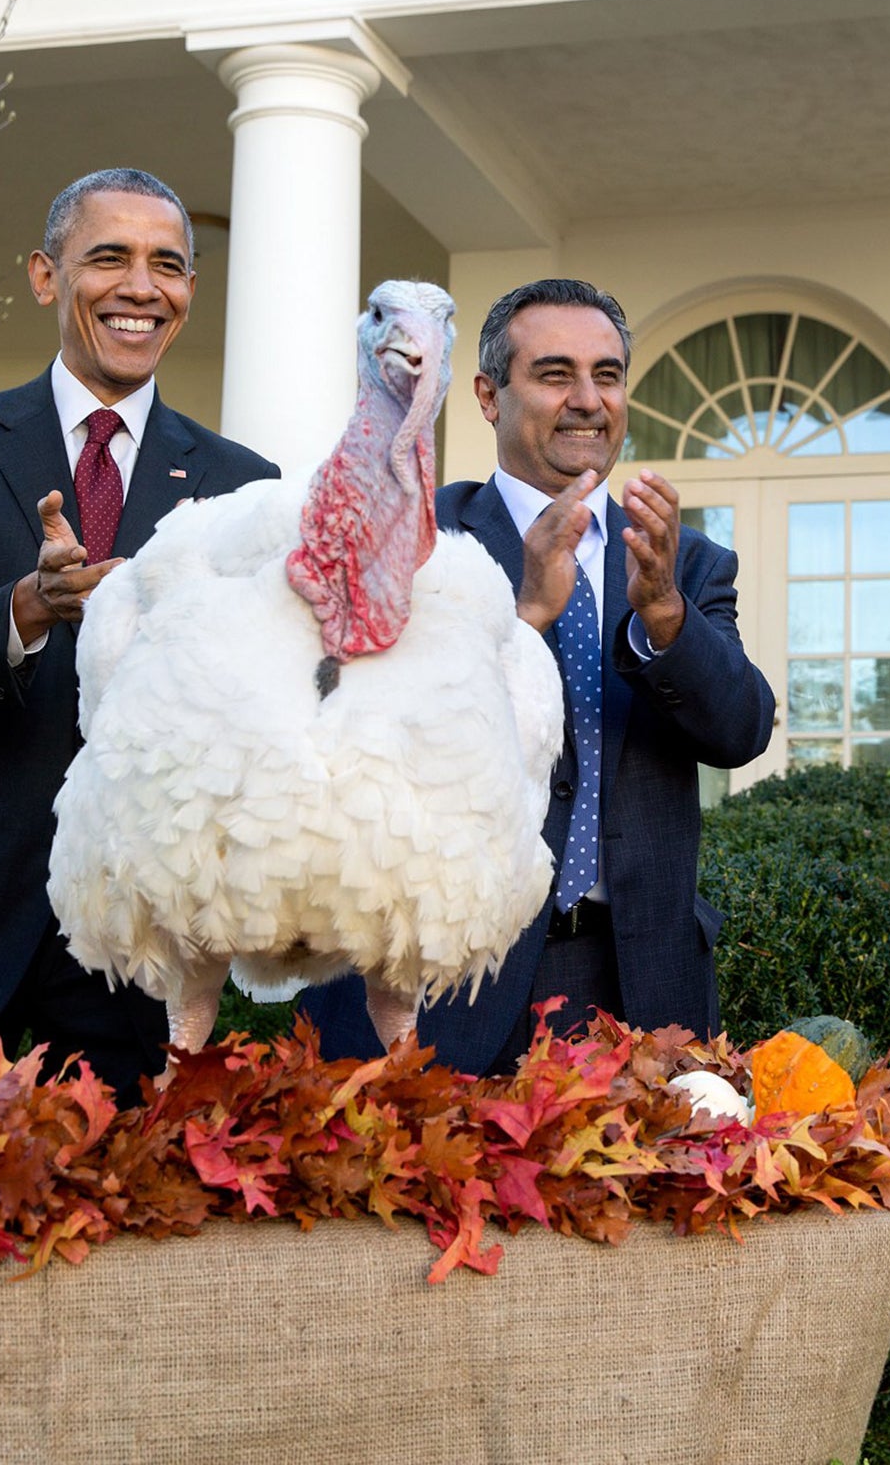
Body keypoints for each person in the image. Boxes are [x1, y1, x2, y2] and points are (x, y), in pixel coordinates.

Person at [0, 168, 279, 1100]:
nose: (142, 288)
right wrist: (25, 608)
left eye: (169, 266)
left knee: (120, 1230)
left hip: (135, 950)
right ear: (45, 275)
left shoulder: (244, 485)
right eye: (107, 258)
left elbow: (261, 709)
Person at [303, 278, 776, 1074]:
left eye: (609, 375)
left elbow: (740, 731)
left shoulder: (687, 564)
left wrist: (664, 612)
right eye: (556, 374)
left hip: (637, 986)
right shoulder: (414, 538)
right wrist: (523, 615)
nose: (588, 400)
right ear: (488, 395)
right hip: (445, 978)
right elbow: (352, 727)